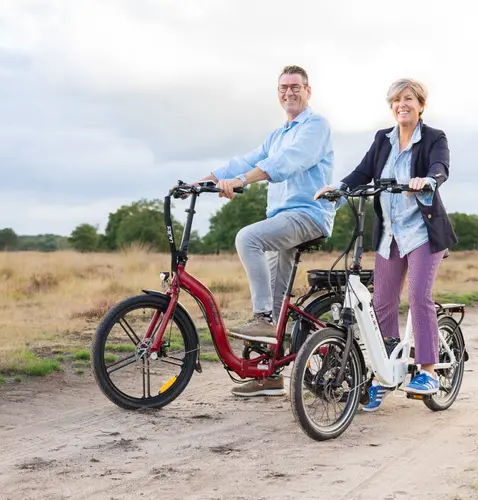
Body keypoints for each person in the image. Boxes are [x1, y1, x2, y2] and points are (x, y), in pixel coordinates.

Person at [192, 65, 336, 397]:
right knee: (277, 303)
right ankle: (270, 374)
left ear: (308, 90)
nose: (289, 92)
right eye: (283, 87)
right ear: (278, 93)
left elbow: (288, 162)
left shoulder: (315, 126)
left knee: (248, 237)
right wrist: (201, 181)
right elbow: (244, 160)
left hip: (308, 214)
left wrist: (241, 182)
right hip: (282, 220)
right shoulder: (276, 135)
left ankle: (261, 317)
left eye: (296, 87)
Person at [314, 78, 457, 411]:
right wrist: (337, 189)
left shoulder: (434, 138)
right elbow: (363, 172)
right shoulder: (383, 140)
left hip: (423, 232)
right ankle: (384, 373)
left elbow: (441, 167)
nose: (401, 104)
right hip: (390, 233)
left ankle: (427, 370)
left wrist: (428, 181)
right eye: (396, 100)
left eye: (408, 99)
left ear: (421, 105)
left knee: (419, 297)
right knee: (381, 303)